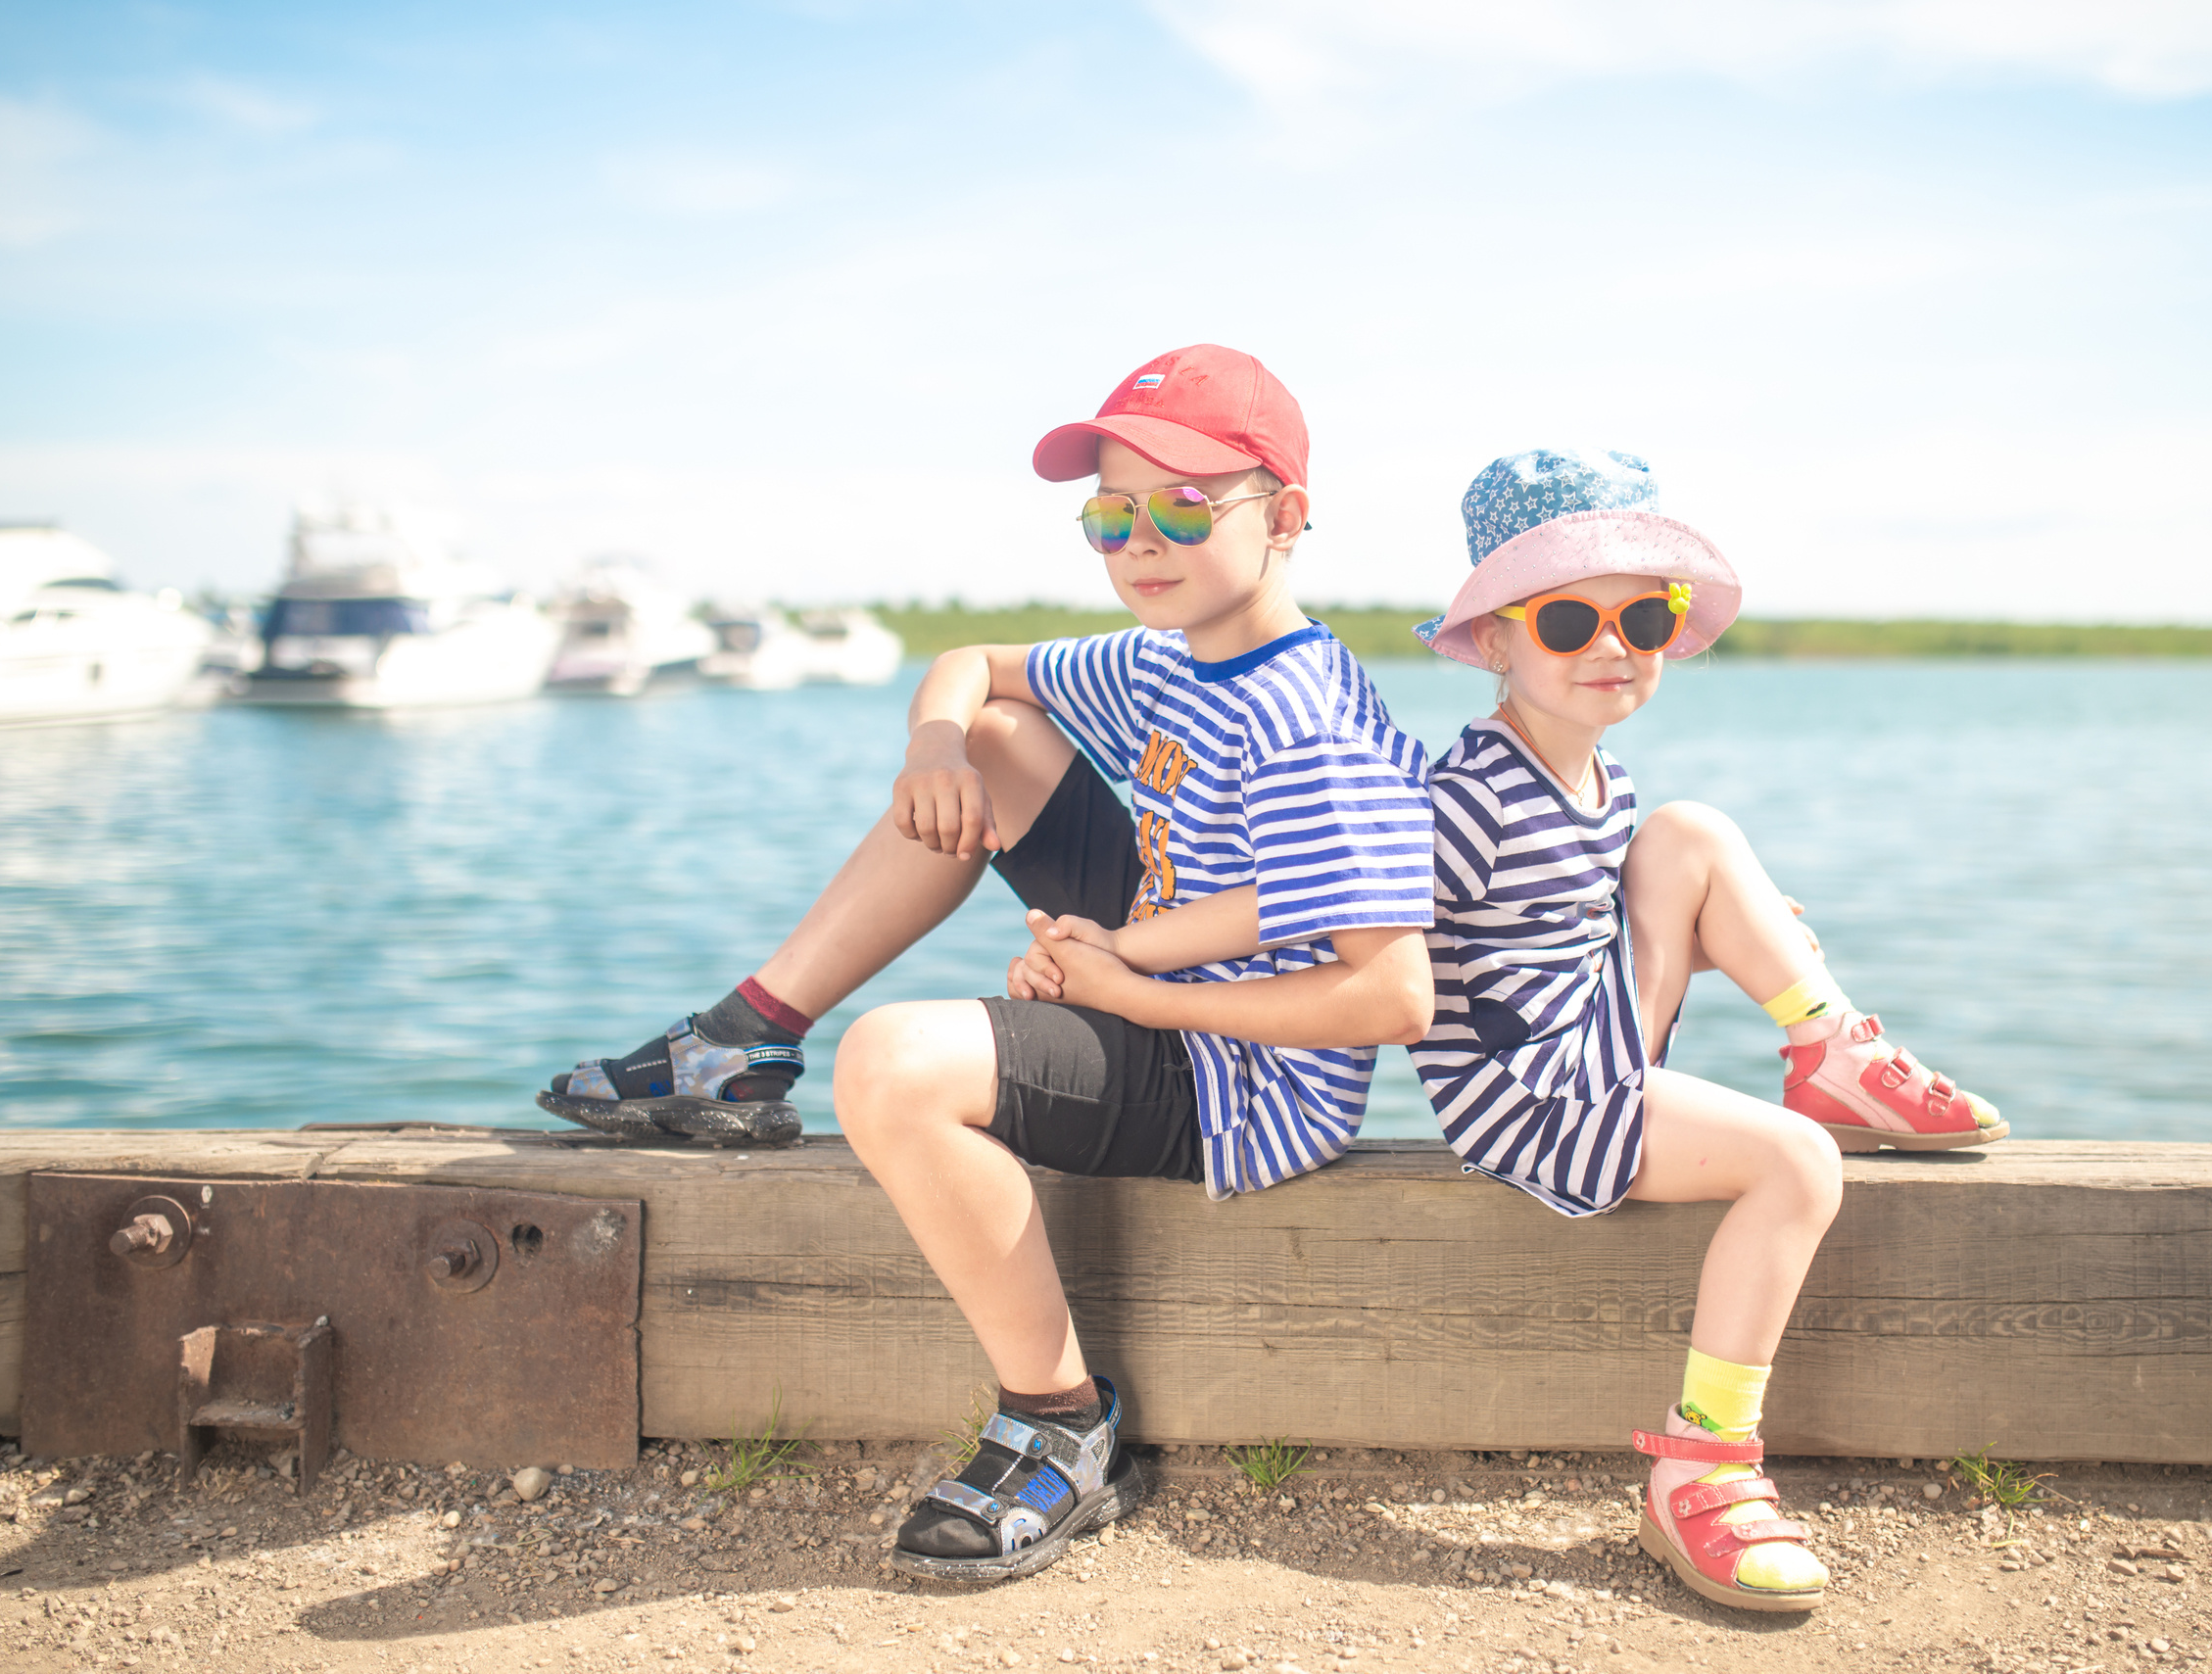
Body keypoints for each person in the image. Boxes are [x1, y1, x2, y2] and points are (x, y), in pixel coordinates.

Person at [540, 345, 1439, 1581]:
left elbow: (1391, 997)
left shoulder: (1311, 725)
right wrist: (934, 746)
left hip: (1244, 1080)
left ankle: (1063, 1423)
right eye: (1110, 514)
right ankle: (742, 1039)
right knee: (1004, 740)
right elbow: (973, 664)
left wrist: (1122, 985)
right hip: (1163, 965)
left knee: (895, 1066)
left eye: (1185, 505)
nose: (1140, 541)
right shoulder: (1176, 656)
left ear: (1286, 518)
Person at [1407, 448, 2006, 1612]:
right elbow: (1371, 936)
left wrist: (1734, 919)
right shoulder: (1467, 793)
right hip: (1527, 1089)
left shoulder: (1604, 779)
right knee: (1795, 1164)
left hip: (1589, 1034)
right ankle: (1703, 1462)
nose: (1611, 645)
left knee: (1689, 834)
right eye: (1569, 617)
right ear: (1493, 641)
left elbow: (1598, 901)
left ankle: (1828, 1049)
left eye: (1645, 614)